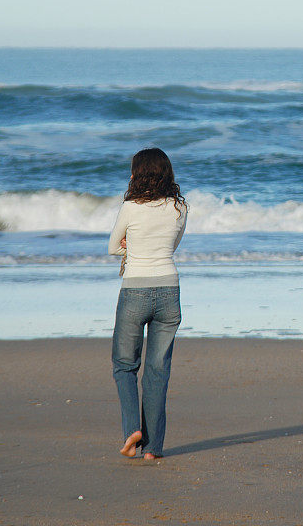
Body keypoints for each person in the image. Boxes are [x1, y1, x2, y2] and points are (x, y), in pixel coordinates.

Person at [108, 147, 188, 460]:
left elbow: (114, 246)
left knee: (125, 366)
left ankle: (132, 430)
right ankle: (153, 449)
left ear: (138, 175)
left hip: (135, 291)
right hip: (169, 290)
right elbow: (172, 245)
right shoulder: (180, 207)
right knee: (157, 371)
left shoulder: (130, 206)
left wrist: (130, 245)